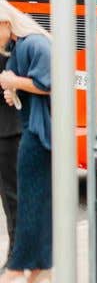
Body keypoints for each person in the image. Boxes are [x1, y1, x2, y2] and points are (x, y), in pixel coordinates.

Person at [0, 0, 52, 283]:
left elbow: (47, 82)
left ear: (7, 23)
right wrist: (14, 90)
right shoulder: (20, 45)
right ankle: (36, 264)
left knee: (24, 198)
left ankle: (20, 263)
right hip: (25, 127)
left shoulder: (29, 44)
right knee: (28, 198)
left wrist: (13, 84)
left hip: (26, 131)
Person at [0, 46, 21, 268]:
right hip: (8, 129)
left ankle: (16, 256)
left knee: (12, 198)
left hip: (7, 131)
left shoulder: (8, 47)